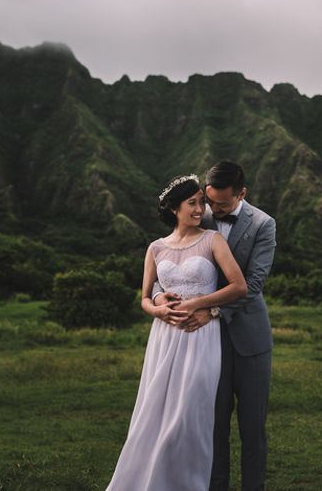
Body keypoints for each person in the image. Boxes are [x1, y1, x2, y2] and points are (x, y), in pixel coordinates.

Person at [106, 174, 247, 491]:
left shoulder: (213, 241)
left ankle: (188, 484)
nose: (200, 209)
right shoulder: (156, 248)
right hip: (164, 336)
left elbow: (239, 286)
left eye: (202, 203)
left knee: (189, 416)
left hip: (201, 336)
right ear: (174, 209)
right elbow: (144, 297)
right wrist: (157, 309)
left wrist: (200, 303)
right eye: (192, 203)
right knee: (152, 413)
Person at [154, 161, 277, 491]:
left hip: (250, 340)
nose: (213, 210)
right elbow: (168, 265)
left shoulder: (264, 224)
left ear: (242, 194)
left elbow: (253, 284)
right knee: (212, 426)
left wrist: (213, 311)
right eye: (209, 201)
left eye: (222, 204)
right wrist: (158, 297)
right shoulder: (197, 216)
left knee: (252, 427)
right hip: (204, 344)